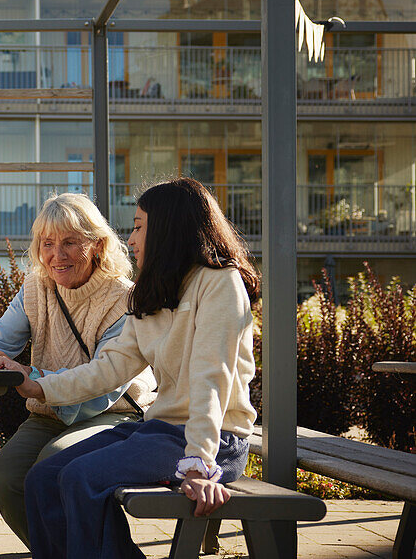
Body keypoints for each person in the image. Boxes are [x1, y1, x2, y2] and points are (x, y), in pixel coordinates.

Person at [17, 177, 260, 559]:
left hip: (213, 440)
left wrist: (198, 464)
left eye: (138, 226)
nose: (130, 239)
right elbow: (111, 366)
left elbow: (212, 378)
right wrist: (39, 387)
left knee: (81, 479)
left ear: (168, 229)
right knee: (42, 479)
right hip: (158, 431)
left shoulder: (220, 284)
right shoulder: (156, 291)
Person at [0, 192, 157, 546]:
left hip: (113, 415)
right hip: (49, 412)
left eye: (71, 242)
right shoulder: (37, 288)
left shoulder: (124, 299)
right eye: (48, 243)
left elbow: (105, 385)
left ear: (98, 245)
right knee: (4, 478)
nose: (57, 255)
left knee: (53, 465)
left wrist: (36, 380)